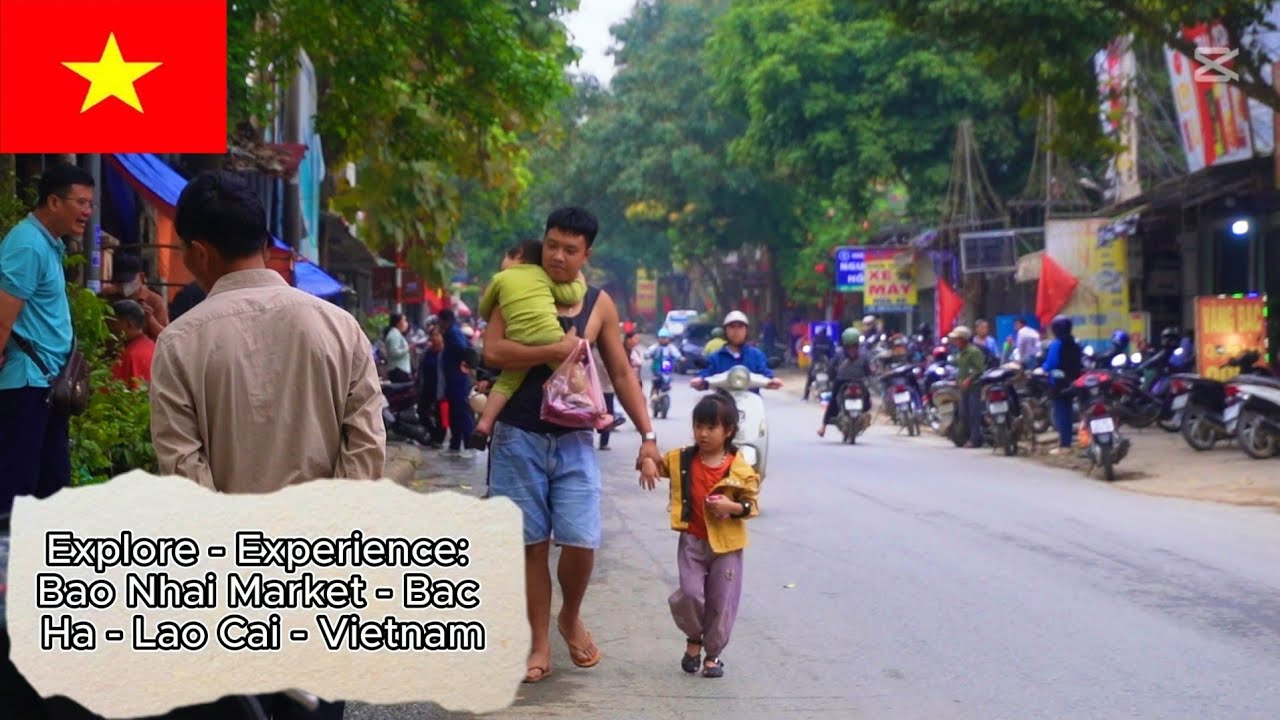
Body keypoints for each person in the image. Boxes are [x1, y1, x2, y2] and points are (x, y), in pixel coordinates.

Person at [481, 206, 661, 684]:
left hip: (577, 436)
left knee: (581, 540)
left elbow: (621, 373)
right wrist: (550, 351)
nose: (557, 256)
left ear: (587, 253)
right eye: (552, 245)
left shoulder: (598, 303)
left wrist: (648, 436)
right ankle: (538, 642)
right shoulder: (518, 286)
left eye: (569, 249)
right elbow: (493, 351)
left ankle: (570, 615)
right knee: (531, 545)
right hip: (518, 436)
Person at [149, 170, 386, 498]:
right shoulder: (341, 329)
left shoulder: (179, 343)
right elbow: (366, 448)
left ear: (200, 253)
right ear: (263, 244)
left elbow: (183, 469)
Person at [640, 392, 759, 679]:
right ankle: (694, 637)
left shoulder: (738, 467)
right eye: (698, 426)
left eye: (711, 428)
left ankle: (713, 655)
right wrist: (647, 461)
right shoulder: (682, 459)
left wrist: (731, 507)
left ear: (728, 431)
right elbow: (656, 464)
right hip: (692, 542)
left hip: (727, 546)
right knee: (691, 594)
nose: (703, 434)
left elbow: (751, 504)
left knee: (721, 601)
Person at [0, 163, 95, 515]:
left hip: (47, 385)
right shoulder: (26, 245)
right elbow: (2, 317)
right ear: (54, 202)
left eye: (90, 204)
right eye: (81, 202)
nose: (87, 211)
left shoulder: (47, 243)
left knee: (50, 484)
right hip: (26, 384)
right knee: (17, 484)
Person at [469, 240, 587, 450]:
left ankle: (484, 425)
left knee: (506, 383)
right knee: (570, 375)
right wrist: (580, 279)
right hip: (549, 335)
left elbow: (484, 308)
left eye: (506, 256)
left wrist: (498, 309)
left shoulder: (500, 278)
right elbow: (570, 295)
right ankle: (593, 408)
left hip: (518, 339)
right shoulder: (543, 276)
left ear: (518, 256)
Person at [692, 311, 782, 392]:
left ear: (746, 331)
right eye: (732, 327)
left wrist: (773, 379)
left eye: (740, 327)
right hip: (723, 403)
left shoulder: (756, 355)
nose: (736, 331)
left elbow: (764, 370)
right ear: (725, 331)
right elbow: (707, 371)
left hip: (751, 403)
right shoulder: (716, 357)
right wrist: (700, 379)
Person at [817, 328, 873, 437]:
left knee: (833, 402)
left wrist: (831, 378)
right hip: (859, 382)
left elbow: (831, 368)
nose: (852, 349)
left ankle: (823, 427)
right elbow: (868, 371)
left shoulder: (839, 353)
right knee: (867, 400)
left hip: (841, 382)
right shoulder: (863, 354)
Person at [1041, 315, 1083, 454]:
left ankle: (1064, 445)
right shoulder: (1075, 342)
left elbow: (1051, 363)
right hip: (1073, 381)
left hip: (1058, 382)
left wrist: (1043, 368)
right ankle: (1068, 441)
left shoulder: (1057, 344)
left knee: (1061, 414)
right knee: (1069, 412)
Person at [103, 253, 169, 340]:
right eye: (120, 281)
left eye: (128, 280)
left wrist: (150, 320)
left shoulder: (155, 301)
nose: (124, 285)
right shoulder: (108, 298)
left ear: (141, 277)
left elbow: (166, 338)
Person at [951, 325, 987, 448]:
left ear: (963, 339)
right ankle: (965, 437)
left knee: (974, 413)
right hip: (964, 388)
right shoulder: (960, 353)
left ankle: (974, 439)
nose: (955, 341)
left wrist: (969, 379)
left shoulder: (974, 352)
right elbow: (961, 369)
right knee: (963, 413)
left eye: (957, 339)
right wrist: (958, 380)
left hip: (974, 387)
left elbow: (979, 369)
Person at [109, 299, 155, 387]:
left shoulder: (130, 355)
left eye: (113, 322)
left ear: (129, 324)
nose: (110, 327)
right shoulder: (152, 346)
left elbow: (109, 391)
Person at [647, 328, 683, 397]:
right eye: (661, 338)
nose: (663, 340)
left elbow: (676, 354)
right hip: (657, 365)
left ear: (668, 339)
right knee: (656, 379)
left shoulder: (670, 347)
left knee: (666, 377)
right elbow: (648, 352)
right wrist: (648, 355)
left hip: (666, 364)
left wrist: (681, 358)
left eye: (665, 338)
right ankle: (655, 393)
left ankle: (666, 386)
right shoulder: (655, 347)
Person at [803, 326, 834, 400]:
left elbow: (812, 352)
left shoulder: (816, 340)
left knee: (810, 378)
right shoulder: (828, 341)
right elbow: (832, 353)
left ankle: (806, 396)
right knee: (833, 377)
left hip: (819, 363)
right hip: (823, 363)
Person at [384, 313, 412, 383]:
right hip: (398, 369)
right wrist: (408, 348)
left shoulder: (397, 334)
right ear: (398, 323)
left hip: (400, 369)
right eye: (404, 320)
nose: (406, 323)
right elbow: (394, 353)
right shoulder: (394, 335)